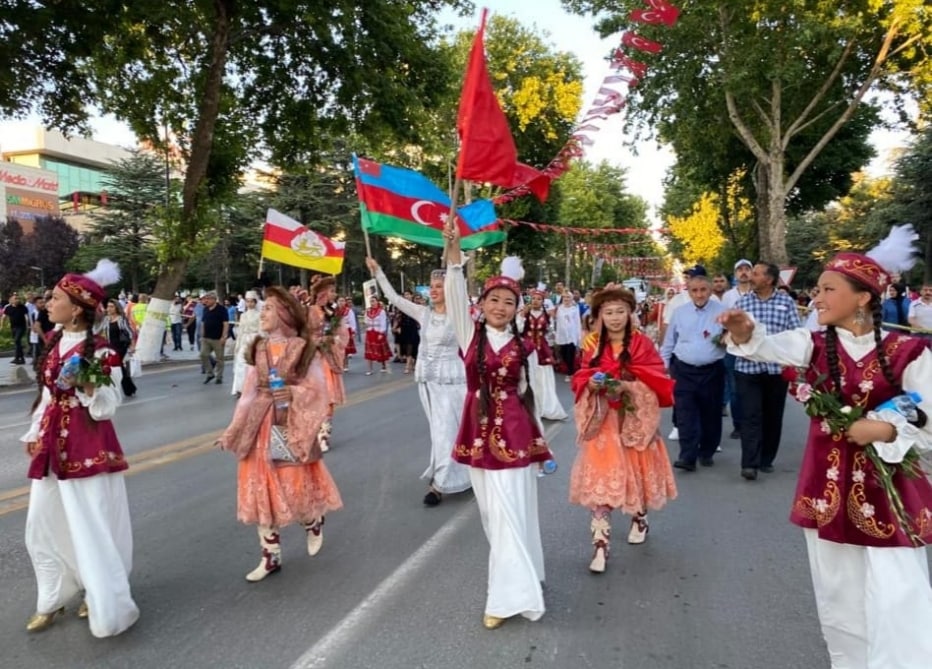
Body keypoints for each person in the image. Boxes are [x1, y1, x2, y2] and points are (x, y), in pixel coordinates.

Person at [719, 225, 932, 668]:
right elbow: (763, 347)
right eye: (816, 289)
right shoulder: (812, 345)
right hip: (827, 490)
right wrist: (742, 331)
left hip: (888, 493)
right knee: (839, 596)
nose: (816, 298)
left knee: (900, 593)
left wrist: (885, 431)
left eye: (828, 289)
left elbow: (927, 413)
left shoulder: (907, 352)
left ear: (864, 298)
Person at [19, 259, 139, 637]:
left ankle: (100, 592)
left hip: (87, 447)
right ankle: (52, 597)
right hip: (52, 447)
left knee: (92, 526)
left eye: (54, 298)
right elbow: (46, 396)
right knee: (41, 524)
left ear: (76, 309)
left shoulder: (101, 351)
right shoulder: (54, 343)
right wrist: (34, 433)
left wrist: (89, 388)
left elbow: (109, 403)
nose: (47, 303)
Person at [443, 223, 552, 630]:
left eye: (509, 301)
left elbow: (528, 392)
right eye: (494, 299)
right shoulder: (470, 336)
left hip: (517, 435)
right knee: (492, 515)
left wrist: (539, 442)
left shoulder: (523, 345)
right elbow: (455, 294)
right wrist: (454, 254)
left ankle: (508, 598)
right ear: (483, 302)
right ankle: (529, 575)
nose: (501, 307)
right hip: (477, 430)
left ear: (517, 307)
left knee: (511, 510)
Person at [218, 286, 343, 582]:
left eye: (270, 309)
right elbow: (248, 394)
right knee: (259, 489)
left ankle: (312, 521)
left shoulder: (301, 348)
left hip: (289, 425)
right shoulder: (258, 348)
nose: (263, 313)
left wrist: (294, 392)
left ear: (285, 315)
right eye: (263, 308)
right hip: (258, 426)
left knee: (291, 486)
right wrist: (232, 430)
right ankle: (270, 556)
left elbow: (317, 390)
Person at [570, 287, 676, 572]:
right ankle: (600, 547)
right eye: (608, 312)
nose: (615, 318)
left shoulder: (642, 344)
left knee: (636, 476)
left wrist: (627, 386)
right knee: (601, 486)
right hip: (602, 422)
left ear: (630, 314)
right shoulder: (591, 345)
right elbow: (581, 375)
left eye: (620, 312)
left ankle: (639, 517)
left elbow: (656, 378)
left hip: (633, 420)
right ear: (599, 316)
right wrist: (590, 385)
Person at [367, 258, 471, 506]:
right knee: (441, 433)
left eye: (438, 286)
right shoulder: (423, 313)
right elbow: (393, 298)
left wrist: (455, 263)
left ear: (449, 290)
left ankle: (440, 484)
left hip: (452, 383)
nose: (432, 290)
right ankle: (458, 473)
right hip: (428, 382)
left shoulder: (460, 316)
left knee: (447, 431)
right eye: (431, 286)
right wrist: (378, 271)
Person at [732, 262, 801, 480]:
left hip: (775, 369)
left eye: (757, 273)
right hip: (747, 368)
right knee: (750, 415)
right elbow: (730, 332)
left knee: (773, 416)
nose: (751, 276)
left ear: (769, 279)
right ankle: (749, 464)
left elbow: (795, 332)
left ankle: (766, 458)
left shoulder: (786, 302)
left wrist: (794, 362)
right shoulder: (742, 303)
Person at [660, 275, 726, 469]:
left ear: (710, 290)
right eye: (694, 290)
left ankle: (707, 451)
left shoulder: (722, 313)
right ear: (688, 291)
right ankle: (687, 456)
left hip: (712, 371)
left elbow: (732, 339)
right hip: (683, 370)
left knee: (711, 413)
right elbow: (669, 342)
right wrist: (663, 365)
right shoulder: (680, 313)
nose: (699, 294)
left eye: (703, 290)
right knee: (685, 413)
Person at [306, 276, 347, 453]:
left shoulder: (333, 312)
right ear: (322, 293)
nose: (334, 294)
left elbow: (342, 334)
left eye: (333, 290)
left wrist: (334, 339)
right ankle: (312, 433)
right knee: (313, 399)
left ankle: (324, 435)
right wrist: (318, 340)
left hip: (327, 360)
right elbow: (303, 336)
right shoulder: (309, 312)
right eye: (331, 291)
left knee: (328, 399)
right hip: (313, 360)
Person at [520, 288, 567, 421]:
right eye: (533, 299)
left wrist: (553, 343)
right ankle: (530, 406)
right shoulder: (525, 314)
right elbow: (518, 329)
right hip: (528, 349)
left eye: (539, 299)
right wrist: (522, 316)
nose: (536, 301)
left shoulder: (547, 316)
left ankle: (546, 406)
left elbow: (550, 332)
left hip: (543, 349)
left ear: (543, 301)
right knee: (528, 376)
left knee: (544, 378)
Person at [721, 259, 754, 439]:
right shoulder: (728, 296)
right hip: (733, 347)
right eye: (740, 269)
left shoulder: (757, 294)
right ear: (735, 274)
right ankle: (739, 425)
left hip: (755, 346)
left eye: (747, 269)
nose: (743, 272)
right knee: (735, 389)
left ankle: (753, 423)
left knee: (753, 387)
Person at [105, 299, 137, 398]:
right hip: (110, 346)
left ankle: (126, 389)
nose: (109, 309)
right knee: (119, 367)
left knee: (116, 365)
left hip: (120, 347)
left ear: (116, 308)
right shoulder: (107, 319)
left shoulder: (121, 319)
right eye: (108, 306)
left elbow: (130, 332)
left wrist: (132, 345)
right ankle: (129, 388)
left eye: (111, 307)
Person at [232, 291, 261, 397]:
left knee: (253, 364)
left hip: (254, 339)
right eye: (247, 302)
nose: (249, 304)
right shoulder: (243, 315)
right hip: (244, 339)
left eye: (251, 302)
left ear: (255, 302)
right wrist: (237, 344)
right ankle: (240, 388)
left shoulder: (259, 315)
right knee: (241, 364)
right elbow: (241, 330)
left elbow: (261, 329)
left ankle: (253, 387)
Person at [200, 291, 229, 384]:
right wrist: (202, 335)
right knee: (203, 354)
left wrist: (224, 336)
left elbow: (225, 323)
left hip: (218, 338)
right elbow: (203, 322)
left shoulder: (222, 309)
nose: (206, 300)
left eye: (208, 299)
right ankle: (210, 373)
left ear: (214, 299)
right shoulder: (205, 309)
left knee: (219, 358)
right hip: (206, 338)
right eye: (205, 299)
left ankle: (219, 377)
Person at [554, 290, 583, 383]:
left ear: (571, 299)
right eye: (565, 297)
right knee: (563, 354)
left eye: (568, 297)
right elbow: (557, 321)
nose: (566, 299)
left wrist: (579, 337)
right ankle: (570, 370)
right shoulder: (559, 308)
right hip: (562, 335)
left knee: (570, 355)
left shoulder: (574, 308)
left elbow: (577, 322)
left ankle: (570, 373)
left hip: (572, 335)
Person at [394, 290, 421, 374]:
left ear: (411, 295)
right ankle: (411, 364)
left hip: (413, 328)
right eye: (405, 295)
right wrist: (395, 327)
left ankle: (408, 365)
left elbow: (420, 316)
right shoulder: (401, 306)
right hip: (404, 328)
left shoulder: (415, 305)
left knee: (413, 346)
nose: (407, 296)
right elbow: (398, 317)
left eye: (408, 294)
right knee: (406, 346)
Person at [363, 296, 391, 375]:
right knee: (369, 351)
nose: (372, 303)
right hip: (370, 332)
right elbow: (365, 321)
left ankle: (384, 365)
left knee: (381, 350)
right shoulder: (368, 311)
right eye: (371, 301)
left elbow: (383, 323)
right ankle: (369, 369)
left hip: (378, 332)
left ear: (377, 302)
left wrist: (381, 333)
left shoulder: (381, 311)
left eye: (374, 301)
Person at [3, 293, 29, 364]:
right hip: (13, 327)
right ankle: (22, 359)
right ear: (11, 300)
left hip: (21, 327)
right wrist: (2, 326)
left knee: (17, 340)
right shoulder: (8, 308)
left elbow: (26, 317)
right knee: (17, 343)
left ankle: (17, 358)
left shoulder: (23, 307)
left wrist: (27, 326)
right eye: (15, 299)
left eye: (18, 298)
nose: (17, 300)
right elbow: (4, 317)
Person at [339, 295, 357, 371]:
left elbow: (352, 321)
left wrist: (353, 331)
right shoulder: (335, 310)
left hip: (346, 330)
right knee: (338, 349)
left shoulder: (348, 310)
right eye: (339, 301)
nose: (341, 302)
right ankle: (339, 364)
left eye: (342, 301)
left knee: (345, 349)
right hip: (338, 330)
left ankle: (345, 365)